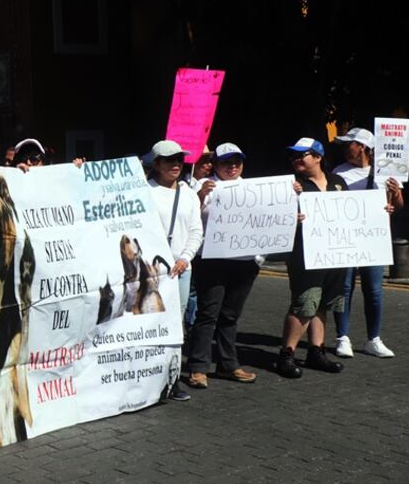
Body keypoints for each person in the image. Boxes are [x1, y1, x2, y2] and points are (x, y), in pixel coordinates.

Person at [186, 143, 260, 389]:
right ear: (215, 164)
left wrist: (291, 193)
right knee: (208, 314)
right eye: (227, 162)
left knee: (230, 315)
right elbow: (187, 219)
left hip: (244, 261)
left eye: (237, 162)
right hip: (213, 260)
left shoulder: (254, 188)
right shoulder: (200, 185)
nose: (232, 167)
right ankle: (198, 367)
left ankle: (228, 364)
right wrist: (199, 197)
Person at [277, 138, 348, 379]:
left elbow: (351, 212)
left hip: (334, 254)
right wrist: (290, 212)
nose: (296, 159)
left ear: (318, 156)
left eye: (302, 155)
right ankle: (286, 353)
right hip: (304, 255)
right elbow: (274, 217)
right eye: (293, 156)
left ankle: (316, 351)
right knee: (305, 303)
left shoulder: (338, 182)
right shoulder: (292, 185)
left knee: (324, 303)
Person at [331, 127, 404, 359]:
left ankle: (374, 339)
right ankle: (342, 337)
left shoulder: (385, 172)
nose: (345, 148)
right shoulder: (338, 172)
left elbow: (398, 204)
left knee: (373, 291)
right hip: (347, 239)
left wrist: (394, 198)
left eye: (349, 144)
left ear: (362, 147)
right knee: (343, 289)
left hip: (373, 240)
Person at [146, 140, 204, 402]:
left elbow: (195, 231)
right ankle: (146, 376)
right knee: (148, 323)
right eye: (169, 160)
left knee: (174, 326)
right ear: (156, 163)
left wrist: (185, 258)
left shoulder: (188, 193)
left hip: (180, 269)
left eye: (179, 159)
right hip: (150, 270)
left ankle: (172, 379)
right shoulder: (144, 191)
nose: (176, 164)